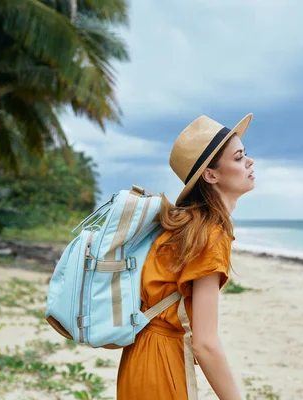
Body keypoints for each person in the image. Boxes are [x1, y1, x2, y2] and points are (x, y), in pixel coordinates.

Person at [117, 113, 256, 400]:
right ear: (211, 175)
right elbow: (206, 343)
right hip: (161, 362)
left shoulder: (185, 225)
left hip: (139, 356)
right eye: (239, 157)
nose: (250, 162)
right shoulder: (209, 234)